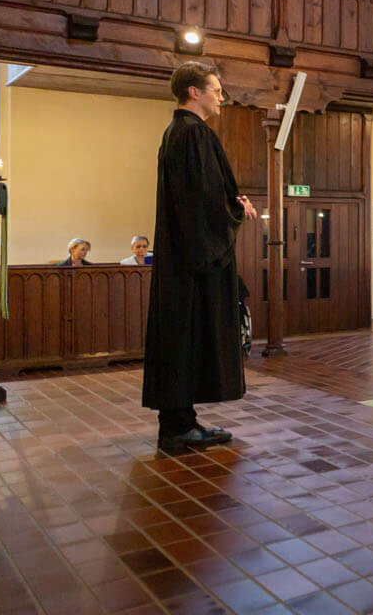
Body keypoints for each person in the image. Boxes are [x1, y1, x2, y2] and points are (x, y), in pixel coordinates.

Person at [142, 61, 257, 454]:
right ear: (195, 92)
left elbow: (204, 192)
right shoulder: (192, 135)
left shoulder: (180, 133)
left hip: (184, 256)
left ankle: (181, 423)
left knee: (183, 339)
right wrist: (235, 211)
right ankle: (176, 429)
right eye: (216, 89)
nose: (221, 96)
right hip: (193, 262)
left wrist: (231, 202)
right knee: (186, 337)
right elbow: (203, 202)